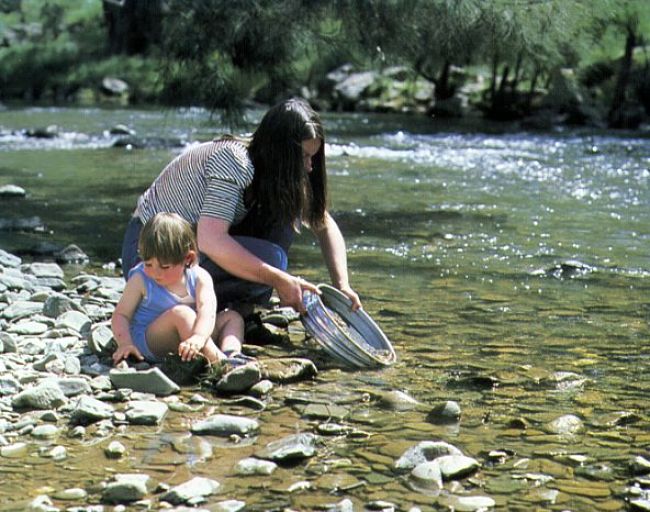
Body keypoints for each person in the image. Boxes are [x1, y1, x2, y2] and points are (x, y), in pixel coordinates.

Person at [121, 97, 361, 315]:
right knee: (273, 259)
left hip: (187, 250)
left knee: (287, 212)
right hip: (149, 257)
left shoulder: (272, 174)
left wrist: (342, 286)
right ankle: (191, 308)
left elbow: (324, 224)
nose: (310, 167)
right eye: (304, 158)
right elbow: (211, 240)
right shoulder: (234, 161)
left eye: (313, 157)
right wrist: (279, 279)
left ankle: (232, 307)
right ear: (280, 154)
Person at [111, 212, 247, 366]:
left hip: (194, 335)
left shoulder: (200, 277)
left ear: (187, 258)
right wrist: (125, 343)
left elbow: (206, 311)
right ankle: (221, 364)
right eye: (148, 264)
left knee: (232, 317)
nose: (155, 272)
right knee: (182, 313)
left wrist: (199, 336)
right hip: (151, 340)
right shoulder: (140, 279)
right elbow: (121, 315)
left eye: (165, 266)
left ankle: (231, 352)